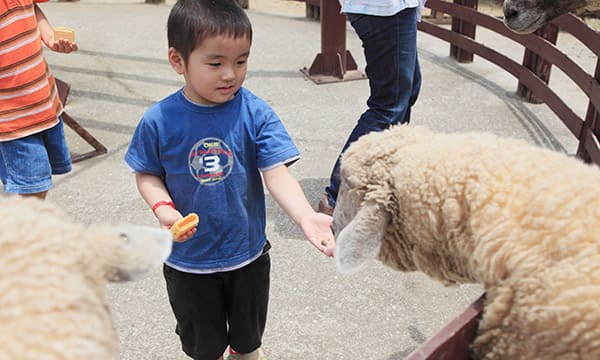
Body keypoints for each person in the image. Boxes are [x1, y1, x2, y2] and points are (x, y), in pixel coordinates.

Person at [124, 1, 335, 359]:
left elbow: (276, 171)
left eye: (241, 61)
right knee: (204, 348)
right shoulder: (159, 120)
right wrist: (163, 208)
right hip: (188, 262)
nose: (230, 75)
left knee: (248, 343)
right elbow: (146, 172)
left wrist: (304, 215)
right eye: (215, 63)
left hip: (247, 256)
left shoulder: (255, 111)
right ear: (178, 61)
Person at [318, 0, 425, 215]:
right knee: (388, 104)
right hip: (387, 9)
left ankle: (387, 173)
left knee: (407, 89)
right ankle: (337, 195)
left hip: (388, 8)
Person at [0, 0, 78, 200]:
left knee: (38, 181)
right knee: (33, 188)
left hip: (42, 103)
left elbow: (31, 7)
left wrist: (50, 36)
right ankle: (25, 228)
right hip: (10, 120)